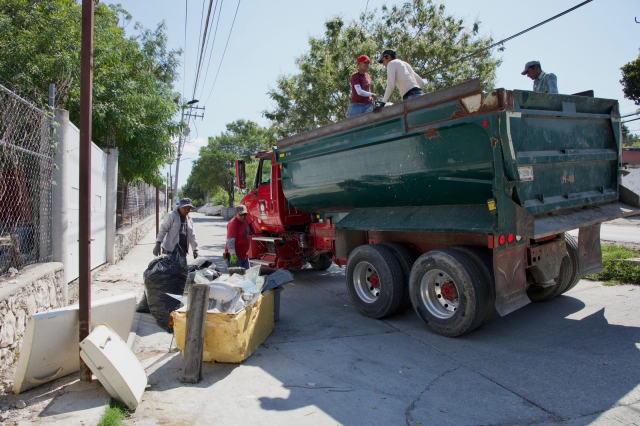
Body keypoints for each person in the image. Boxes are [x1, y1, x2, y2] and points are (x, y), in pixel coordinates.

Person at [224, 205, 251, 269]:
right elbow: (230, 241)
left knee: (247, 277)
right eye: (241, 215)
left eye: (245, 214)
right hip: (234, 257)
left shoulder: (245, 221)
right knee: (236, 277)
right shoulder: (233, 224)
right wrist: (233, 254)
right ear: (236, 214)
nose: (243, 217)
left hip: (244, 256)